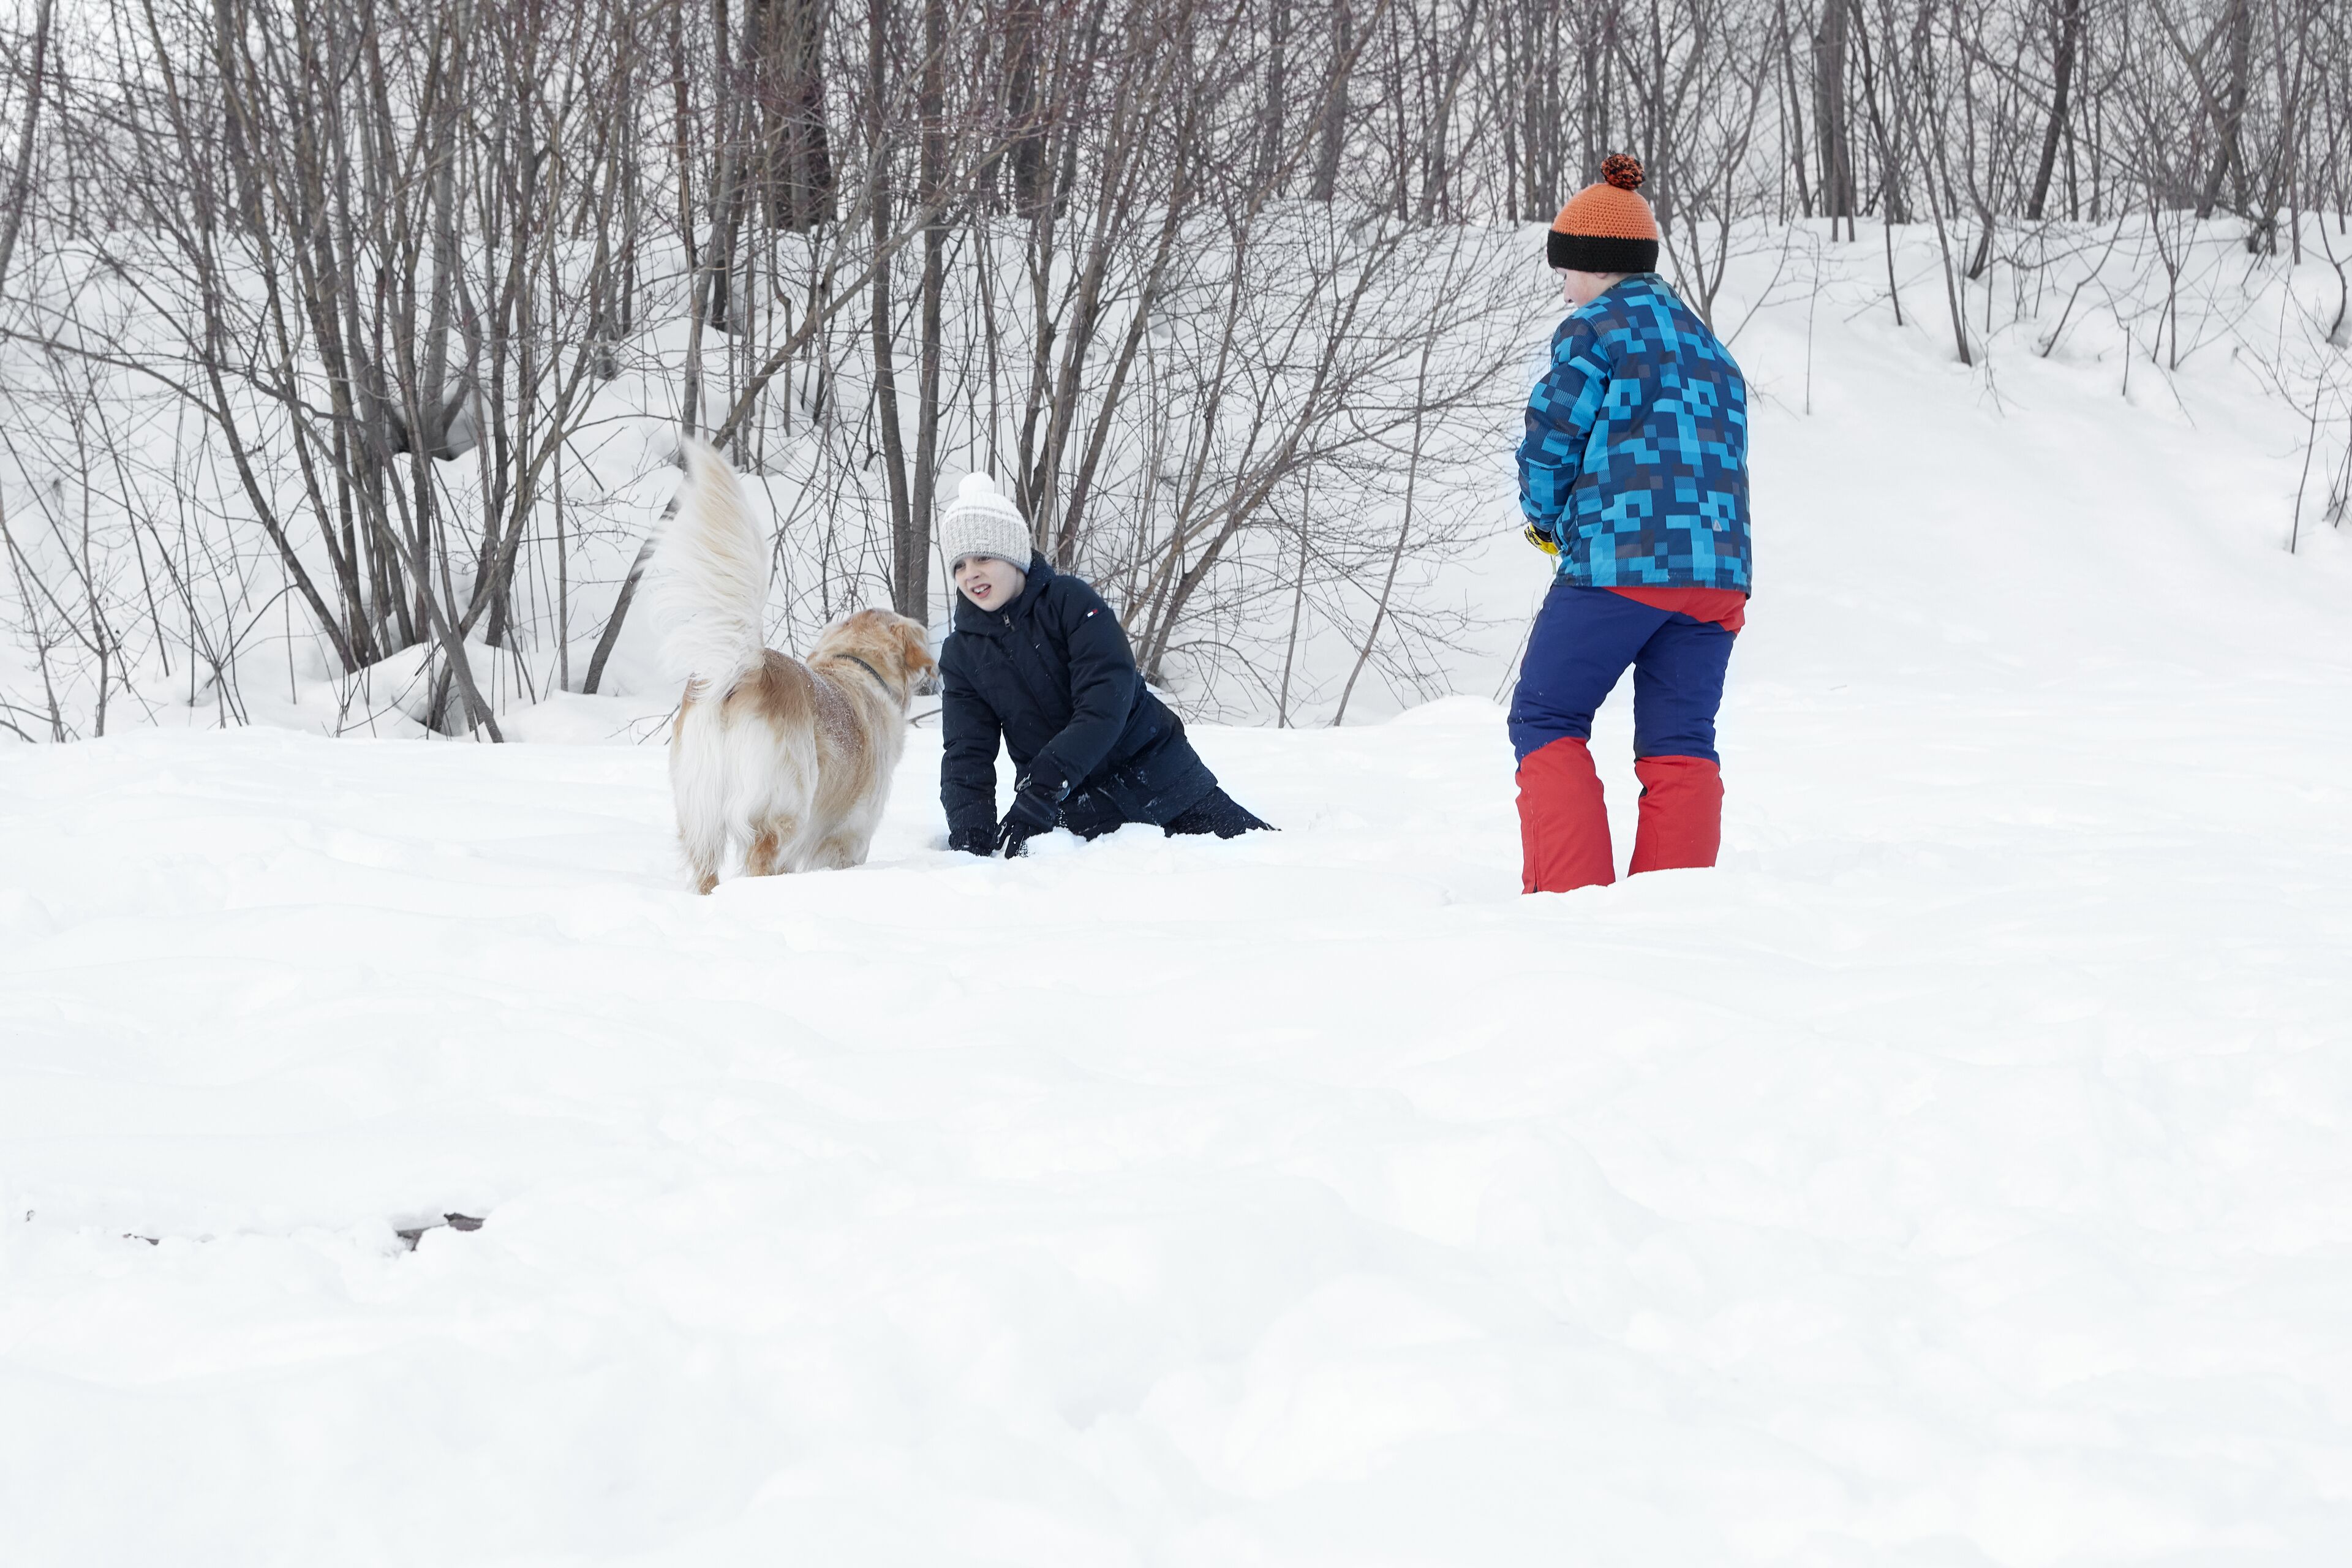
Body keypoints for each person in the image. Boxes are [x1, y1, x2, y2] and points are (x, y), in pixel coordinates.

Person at [1510, 153, 1752, 894]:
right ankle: (1672, 906)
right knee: (1680, 738)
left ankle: (1569, 897)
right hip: (1717, 576)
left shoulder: (1593, 332)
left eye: (1566, 272)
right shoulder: (1711, 348)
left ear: (1593, 266)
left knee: (1547, 716)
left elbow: (1552, 437)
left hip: (1623, 563)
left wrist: (1547, 521)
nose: (1564, 288)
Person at [935, 474, 1272, 857]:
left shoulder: (1070, 602)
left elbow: (1106, 700)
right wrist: (970, 844)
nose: (970, 573)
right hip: (1076, 815)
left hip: (1162, 780)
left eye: (983, 557)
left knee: (1262, 858)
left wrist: (1043, 785)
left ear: (1013, 555)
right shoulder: (962, 653)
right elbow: (967, 755)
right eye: (959, 565)